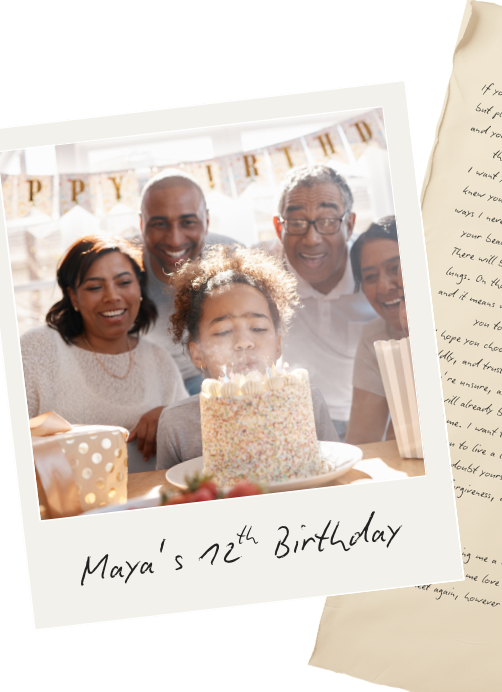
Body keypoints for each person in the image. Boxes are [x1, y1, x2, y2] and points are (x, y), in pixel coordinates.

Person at [156, 246, 338, 472]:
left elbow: (332, 472)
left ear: (278, 344)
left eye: (258, 328)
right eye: (223, 331)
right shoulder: (177, 424)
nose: (244, 342)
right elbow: (170, 499)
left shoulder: (307, 401)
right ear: (197, 353)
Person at [20, 235, 188, 472]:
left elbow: (188, 446)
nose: (112, 296)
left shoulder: (159, 359)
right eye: (95, 287)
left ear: (139, 287)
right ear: (74, 297)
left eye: (124, 282)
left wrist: (169, 416)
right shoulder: (37, 347)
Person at [271, 165, 376, 440]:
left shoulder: (375, 273)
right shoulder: (263, 274)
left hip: (372, 419)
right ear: (278, 227)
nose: (312, 238)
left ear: (350, 224)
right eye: (296, 223)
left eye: (327, 221)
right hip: (296, 425)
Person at [137, 168, 239, 395]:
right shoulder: (124, 265)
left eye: (188, 222)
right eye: (160, 224)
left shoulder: (235, 261)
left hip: (218, 382)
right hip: (146, 386)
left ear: (207, 220)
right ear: (142, 225)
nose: (175, 239)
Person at [345, 217, 410, 445]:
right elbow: (362, 442)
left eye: (395, 268)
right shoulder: (375, 337)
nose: (384, 287)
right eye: (370, 277)